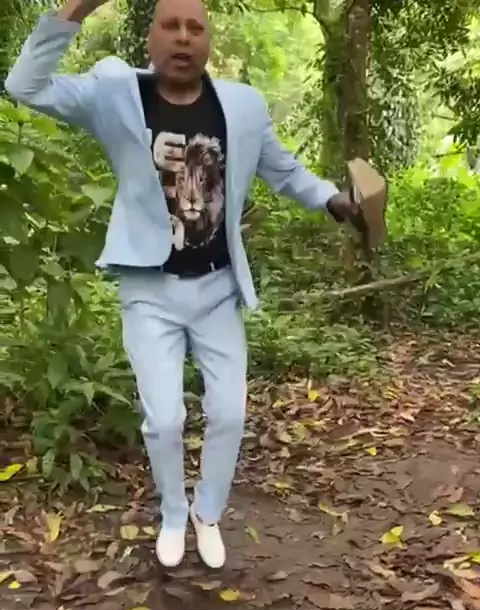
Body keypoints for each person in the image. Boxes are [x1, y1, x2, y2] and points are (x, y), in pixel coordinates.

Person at [6, 0, 359, 572]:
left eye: (196, 28)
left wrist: (332, 200)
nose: (183, 37)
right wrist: (77, 8)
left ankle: (207, 513)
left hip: (217, 288)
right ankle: (173, 512)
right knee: (165, 419)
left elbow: (285, 171)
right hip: (150, 290)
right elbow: (24, 85)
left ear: (208, 42)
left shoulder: (241, 106)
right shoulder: (115, 93)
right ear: (150, 39)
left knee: (230, 415)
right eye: (170, 26)